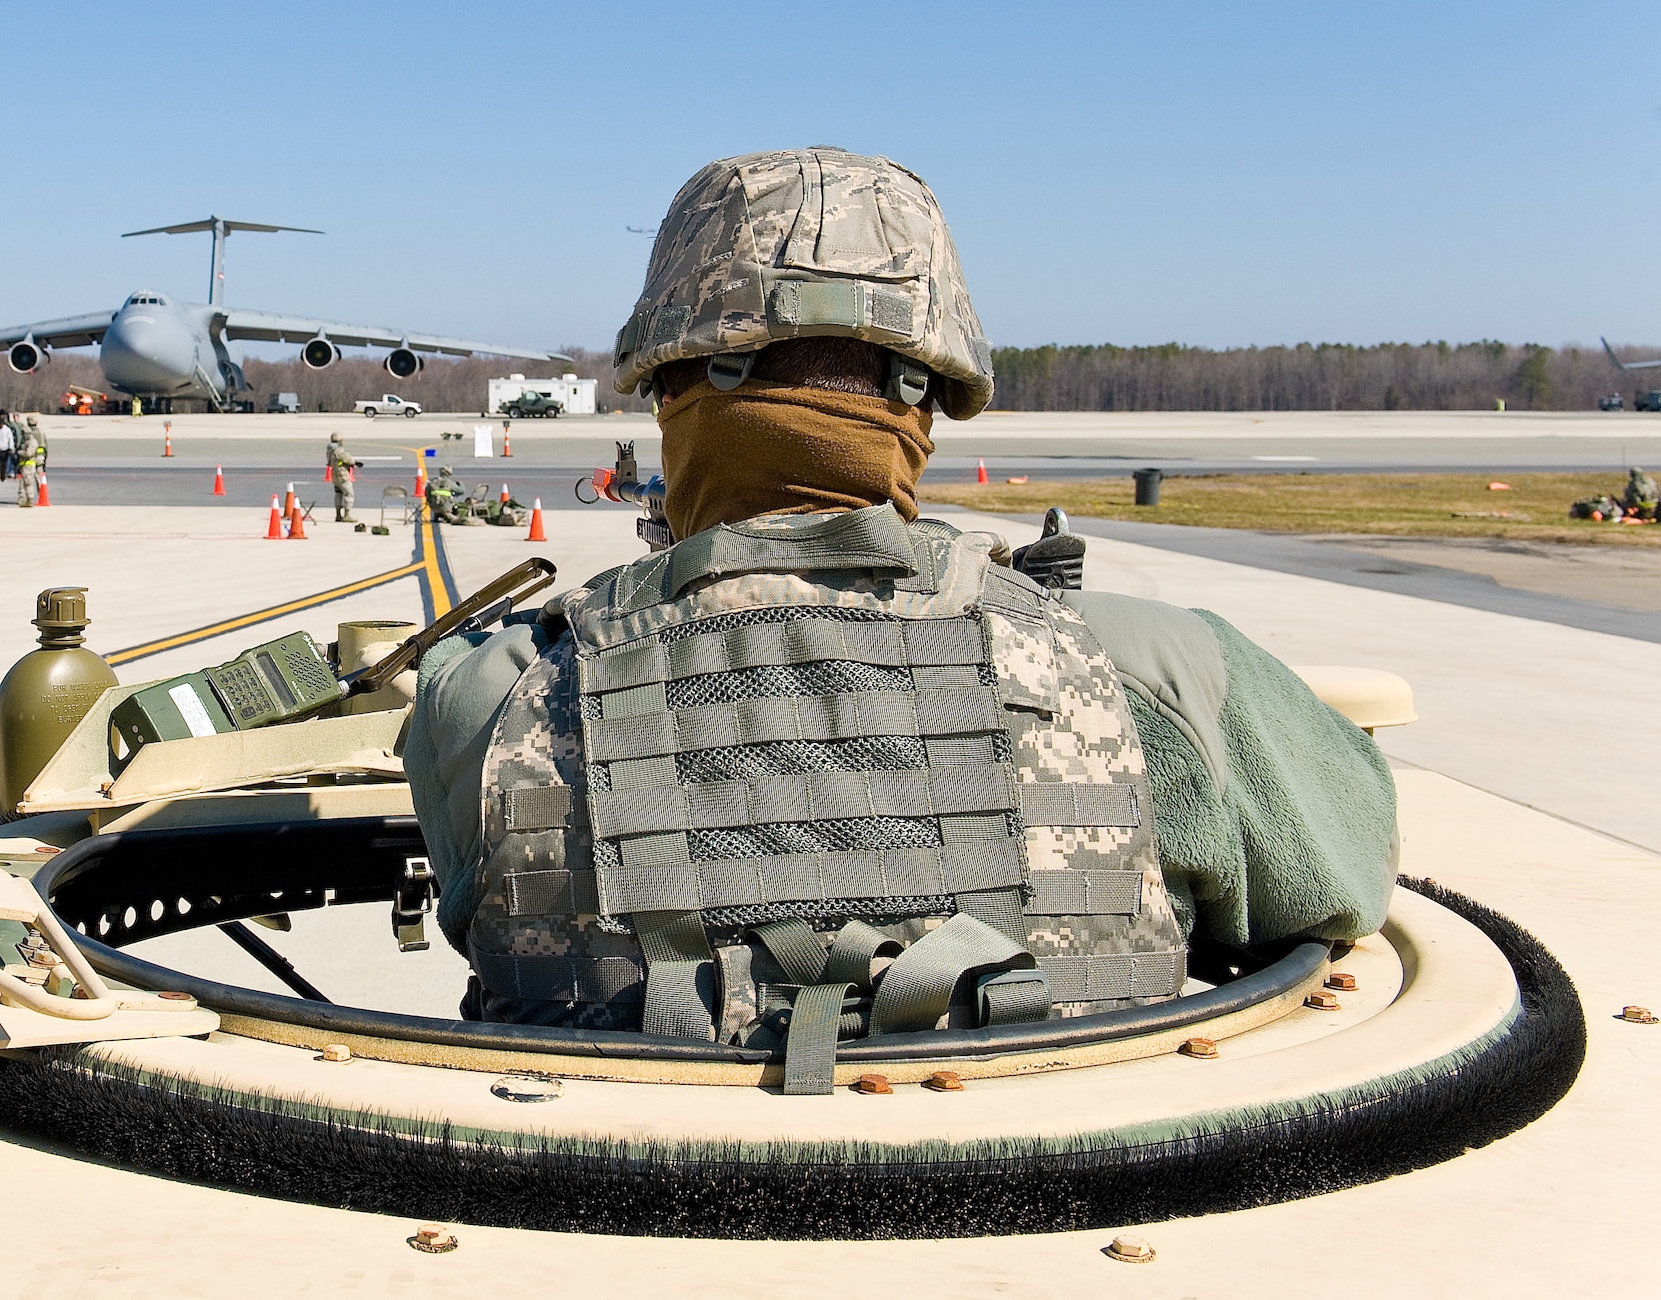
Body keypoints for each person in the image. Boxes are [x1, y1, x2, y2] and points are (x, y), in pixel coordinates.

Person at [403, 147, 1398, 1085]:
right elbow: (1338, 886)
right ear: (922, 397)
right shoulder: (1150, 669)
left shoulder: (491, 691)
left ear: (669, 388)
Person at [327, 433, 362, 522]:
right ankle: (347, 514)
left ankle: (338, 514)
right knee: (348, 494)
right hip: (342, 475)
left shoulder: (329, 450)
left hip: (335, 474)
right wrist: (355, 462)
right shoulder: (338, 450)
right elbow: (347, 459)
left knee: (338, 494)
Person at [15, 420, 41, 507]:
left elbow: (28, 453)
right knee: (24, 483)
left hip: (29, 465)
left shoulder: (32, 442)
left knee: (28, 482)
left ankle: (30, 499)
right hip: (24, 465)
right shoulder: (25, 442)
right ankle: (26, 499)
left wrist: (19, 452)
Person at [0, 412, 15, 481]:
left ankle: (3, 477)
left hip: (5, 449)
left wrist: (11, 447)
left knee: (4, 464)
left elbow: (10, 439)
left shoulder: (7, 430)